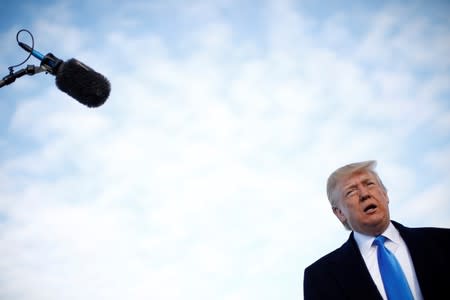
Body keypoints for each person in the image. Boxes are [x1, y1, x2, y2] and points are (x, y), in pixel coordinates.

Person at [303, 160, 450, 300]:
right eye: (351, 192)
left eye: (369, 184)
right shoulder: (320, 277)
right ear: (340, 213)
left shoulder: (443, 241)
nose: (365, 194)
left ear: (385, 195)